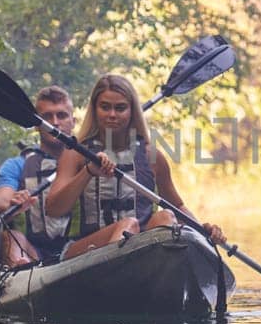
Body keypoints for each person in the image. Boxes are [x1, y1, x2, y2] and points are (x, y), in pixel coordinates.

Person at [46, 74, 226, 255]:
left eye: (120, 108)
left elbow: (177, 207)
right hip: (84, 249)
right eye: (105, 107)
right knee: (128, 225)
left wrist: (203, 232)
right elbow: (53, 209)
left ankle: (156, 271)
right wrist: (88, 171)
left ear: (132, 111)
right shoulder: (75, 154)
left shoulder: (151, 156)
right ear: (94, 109)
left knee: (166, 217)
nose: (112, 115)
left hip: (139, 250)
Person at [0, 85, 80, 267]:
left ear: (73, 121)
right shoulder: (17, 165)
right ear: (37, 125)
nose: (54, 122)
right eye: (46, 117)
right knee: (11, 236)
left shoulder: (90, 162)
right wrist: (12, 203)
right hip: (34, 252)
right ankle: (21, 272)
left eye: (61, 115)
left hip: (80, 250)